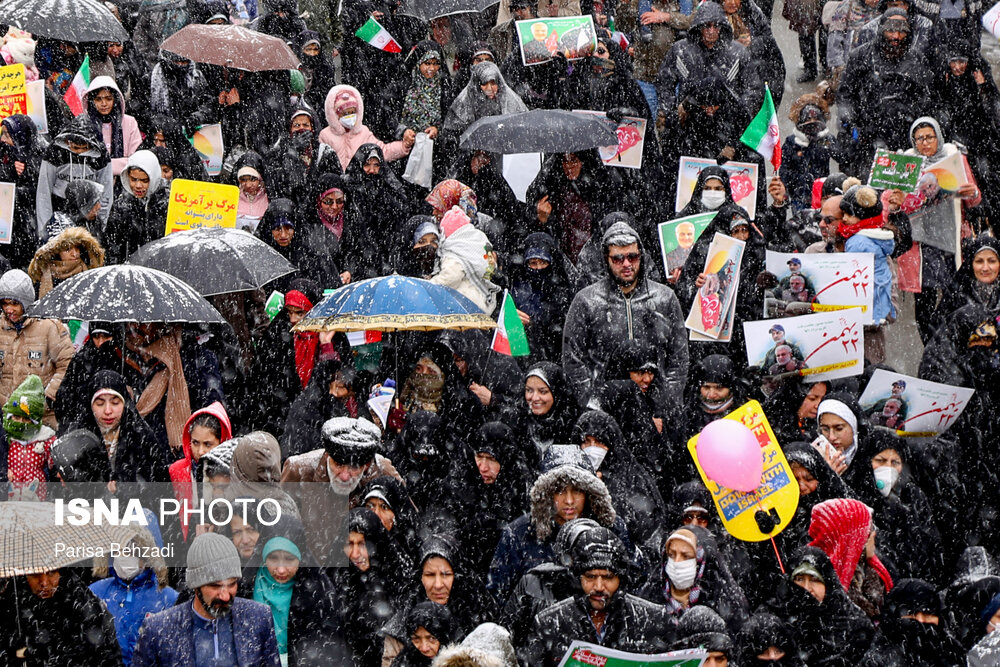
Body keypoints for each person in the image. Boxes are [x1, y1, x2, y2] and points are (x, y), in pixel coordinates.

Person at [562, 217, 688, 411]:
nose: (627, 264)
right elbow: (572, 358)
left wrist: (667, 405)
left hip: (655, 406)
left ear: (641, 256)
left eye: (633, 257)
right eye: (618, 258)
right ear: (606, 259)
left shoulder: (664, 298)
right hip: (603, 405)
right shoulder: (587, 301)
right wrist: (591, 402)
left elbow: (678, 357)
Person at [488, 445, 630, 607]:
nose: (569, 500)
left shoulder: (612, 528)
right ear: (547, 493)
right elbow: (499, 594)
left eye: (577, 491)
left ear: (589, 493)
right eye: (560, 491)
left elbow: (632, 584)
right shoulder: (518, 533)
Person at [524, 527, 674, 665]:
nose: (599, 587)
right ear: (578, 578)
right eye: (590, 577)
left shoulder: (653, 619)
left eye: (608, 577)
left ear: (620, 579)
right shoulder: (549, 623)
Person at [131, 532, 281, 666]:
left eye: (232, 584)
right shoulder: (157, 629)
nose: (225, 595)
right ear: (196, 586)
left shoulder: (259, 617)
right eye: (215, 586)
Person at [281, 416, 400, 562]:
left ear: (367, 465)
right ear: (327, 456)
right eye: (338, 464)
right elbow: (278, 529)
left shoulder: (382, 471)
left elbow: (406, 520)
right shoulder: (299, 470)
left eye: (354, 467)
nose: (344, 476)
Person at [764, 547, 874, 665]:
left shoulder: (854, 625)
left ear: (827, 583)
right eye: (799, 579)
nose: (807, 587)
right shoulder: (772, 619)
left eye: (814, 580)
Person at [90, 521, 179, 667]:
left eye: (129, 551)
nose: (122, 557)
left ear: (145, 555)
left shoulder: (168, 598)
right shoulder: (96, 592)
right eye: (118, 550)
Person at [639, 526, 751, 633]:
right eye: (671, 555)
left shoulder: (726, 604)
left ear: (701, 560)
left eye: (686, 556)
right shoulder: (649, 600)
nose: (677, 562)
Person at [0, 269, 74, 430]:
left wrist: (47, 397)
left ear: (26, 303)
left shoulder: (49, 327)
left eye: (14, 303)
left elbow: (67, 364)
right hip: (7, 418)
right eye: (4, 303)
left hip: (43, 421)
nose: (9, 309)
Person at [8, 568, 122, 665]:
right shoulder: (13, 611)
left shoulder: (84, 605)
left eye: (51, 573)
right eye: (35, 575)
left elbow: (108, 654)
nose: (44, 582)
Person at [35, 114, 114, 241]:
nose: (79, 152)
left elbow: (106, 191)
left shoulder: (101, 154)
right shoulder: (55, 152)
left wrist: (101, 223)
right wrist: (44, 230)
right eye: (76, 148)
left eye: (84, 148)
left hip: (89, 211)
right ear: (67, 141)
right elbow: (44, 192)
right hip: (60, 206)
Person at [859, 578, 965, 666]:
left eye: (927, 616)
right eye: (916, 616)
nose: (922, 622)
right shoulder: (885, 652)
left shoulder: (944, 644)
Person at [169, 402, 233, 541]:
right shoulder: (177, 471)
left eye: (207, 444)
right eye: (195, 443)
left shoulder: (232, 472)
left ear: (222, 442)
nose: (200, 451)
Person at [320, 84, 416, 172]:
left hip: (357, 183)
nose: (350, 116)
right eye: (345, 113)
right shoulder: (326, 135)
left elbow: (383, 151)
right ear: (336, 114)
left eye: (352, 112)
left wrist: (403, 146)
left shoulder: (363, 132)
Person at [103, 149, 170, 264]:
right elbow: (112, 245)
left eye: (144, 180)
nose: (138, 186)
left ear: (153, 178)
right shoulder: (121, 206)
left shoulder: (168, 203)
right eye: (133, 179)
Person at [1, 374, 56, 501]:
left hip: (36, 493)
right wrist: (4, 472)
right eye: (16, 417)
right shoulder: (5, 437)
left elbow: (54, 463)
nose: (21, 422)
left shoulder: (44, 438)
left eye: (26, 419)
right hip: (9, 492)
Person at [84, 76, 142, 177]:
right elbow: (85, 162)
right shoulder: (85, 124)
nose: (104, 104)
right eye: (98, 99)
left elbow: (136, 160)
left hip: (125, 183)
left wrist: (103, 166)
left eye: (108, 99)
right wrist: (120, 164)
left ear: (115, 100)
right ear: (92, 101)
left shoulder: (129, 122)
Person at [27, 225, 106, 299]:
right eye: (67, 249)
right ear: (55, 252)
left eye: (77, 248)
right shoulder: (43, 276)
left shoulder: (90, 274)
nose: (74, 254)